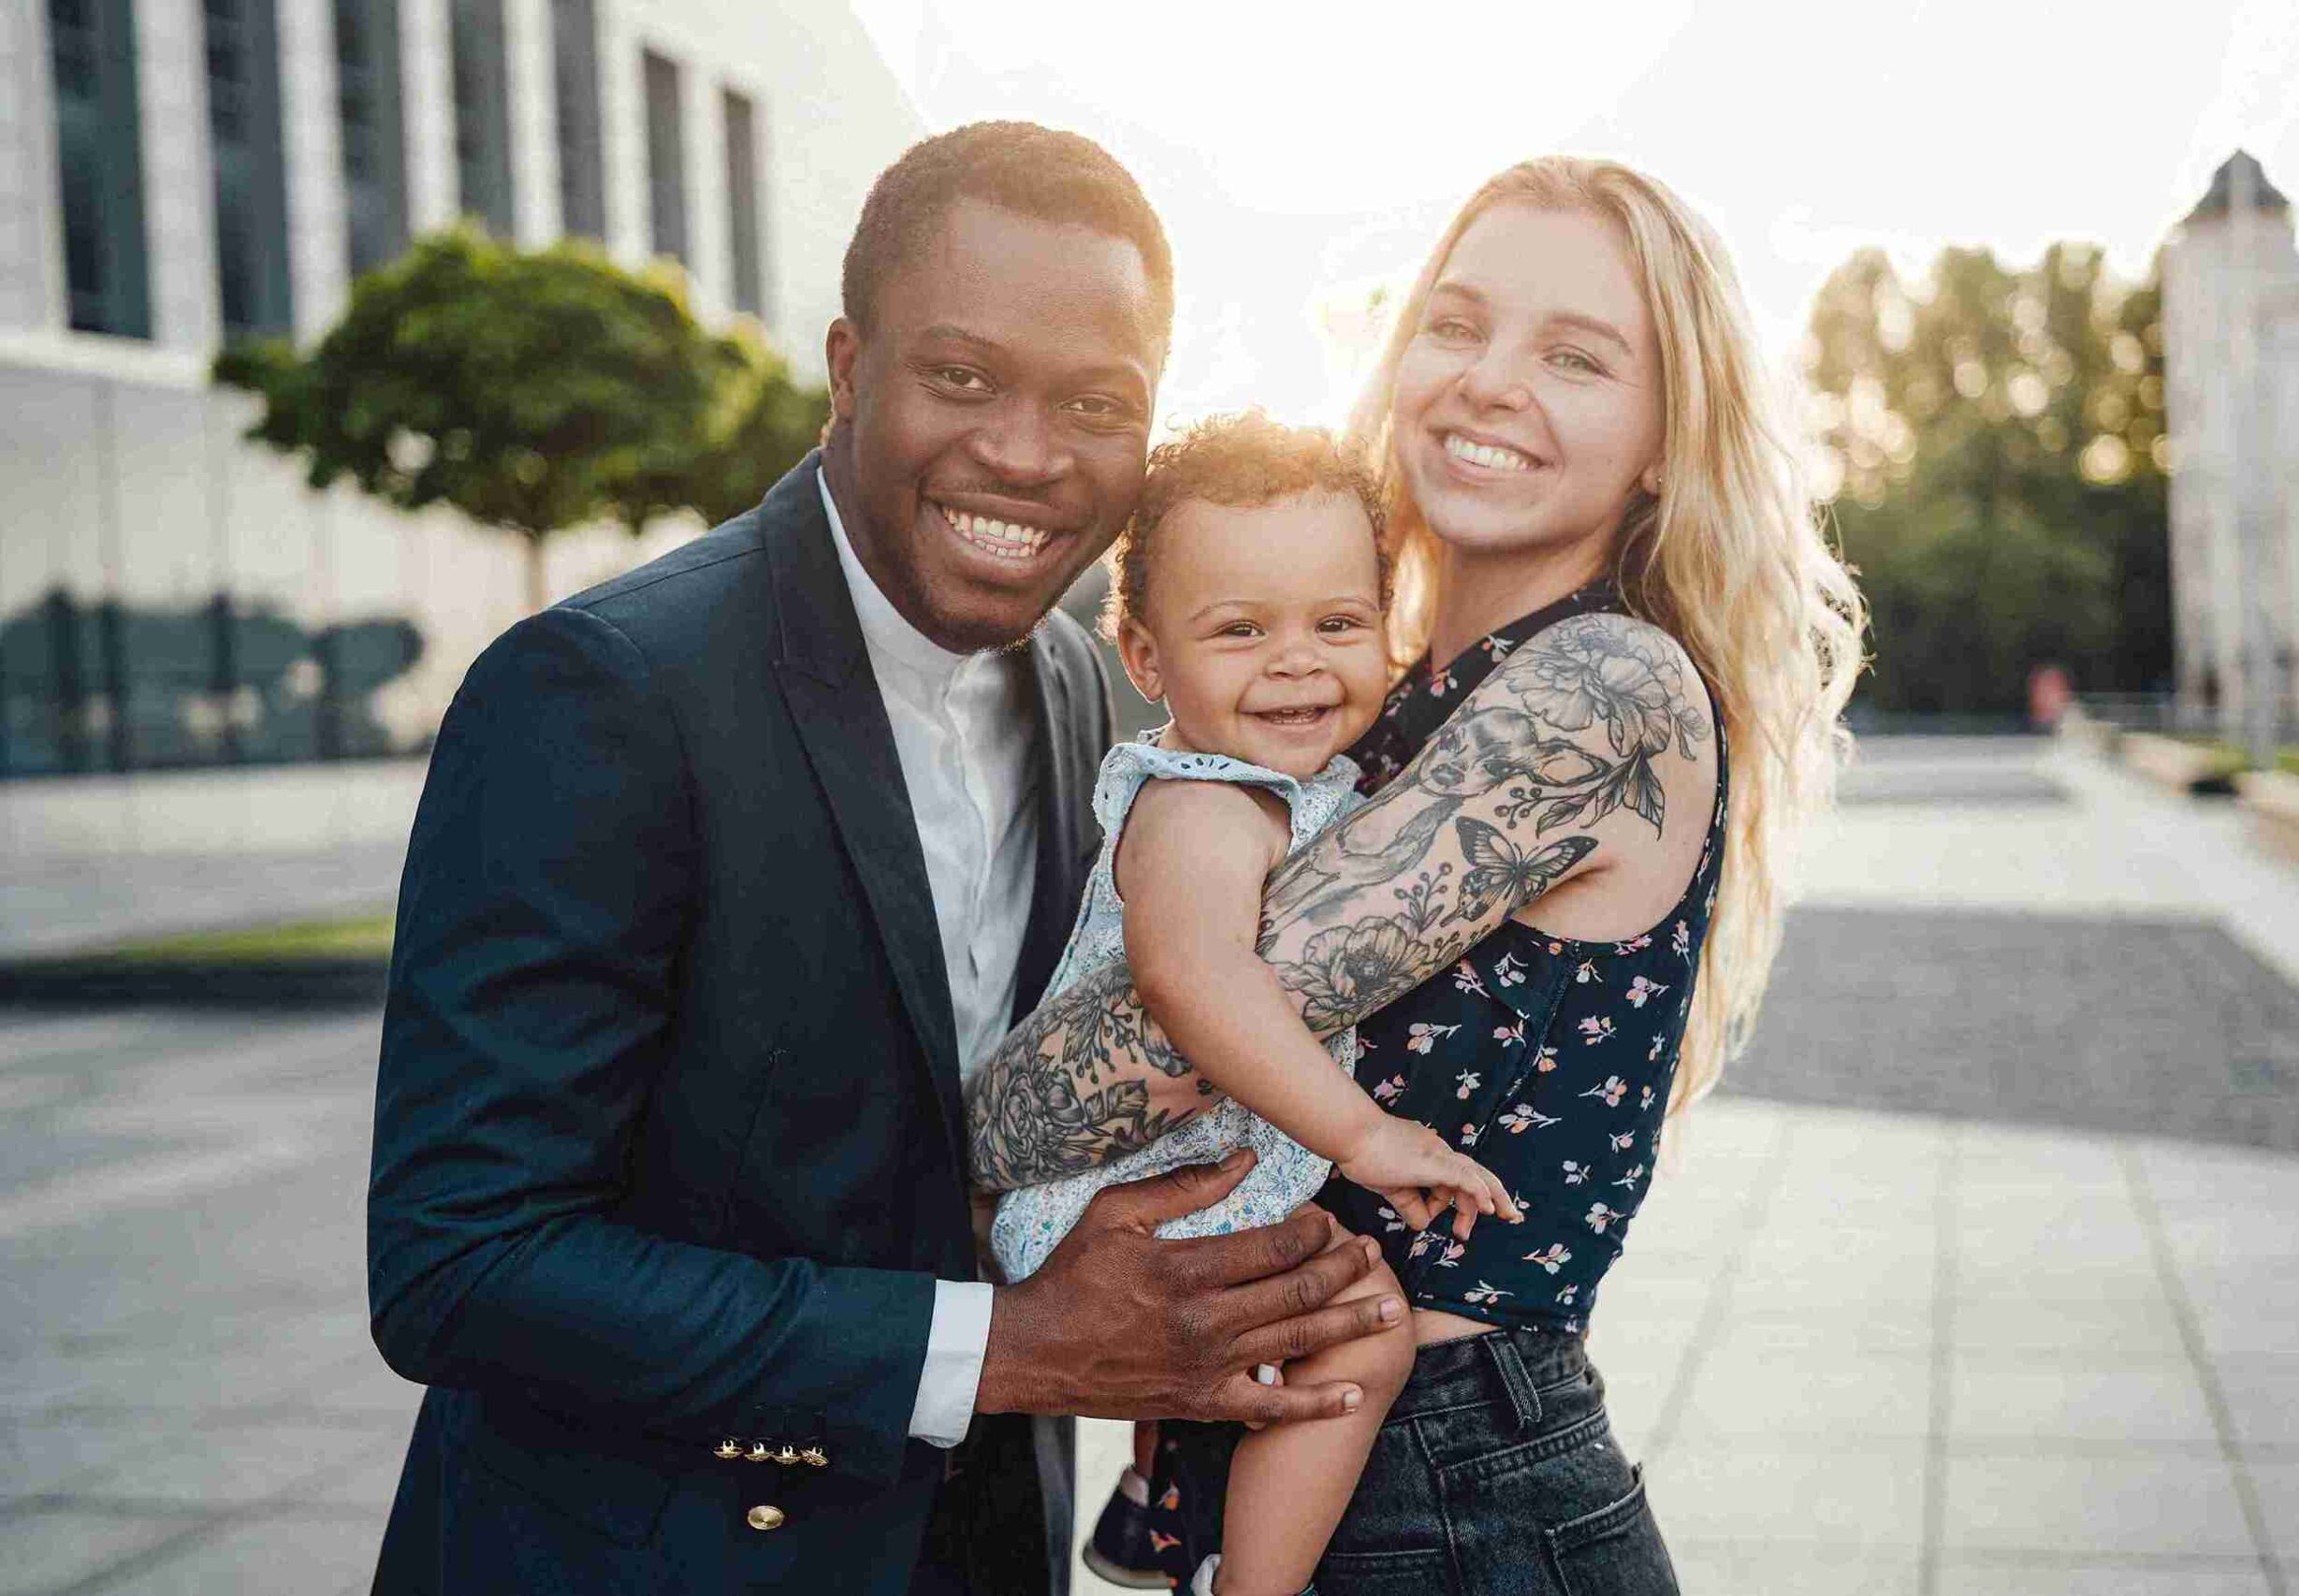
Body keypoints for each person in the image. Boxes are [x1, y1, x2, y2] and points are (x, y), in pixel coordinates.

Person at [365, 123, 1405, 1596]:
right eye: (963, 378)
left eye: (1096, 401)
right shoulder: (599, 689)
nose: (1028, 455)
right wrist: (1011, 1343)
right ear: (851, 372)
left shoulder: (1106, 699)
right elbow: (459, 1265)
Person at [969, 155, 1865, 1595]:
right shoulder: (1367, 691)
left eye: (1575, 354)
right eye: (1457, 326)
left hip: (1450, 1493)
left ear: (1660, 439)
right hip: (1325, 1450)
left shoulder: (1595, 689)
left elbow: (1152, 1034)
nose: (1490, 381)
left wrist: (969, 1159)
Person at [982, 414, 1521, 1596]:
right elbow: (1191, 981)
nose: (1295, 661)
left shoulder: (1292, 784)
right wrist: (1363, 1133)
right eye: (1239, 631)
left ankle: (1146, 1498)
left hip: (1181, 1172)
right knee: (1363, 1323)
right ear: (1146, 661)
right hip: (1123, 1197)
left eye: (1337, 623)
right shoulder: (1200, 805)